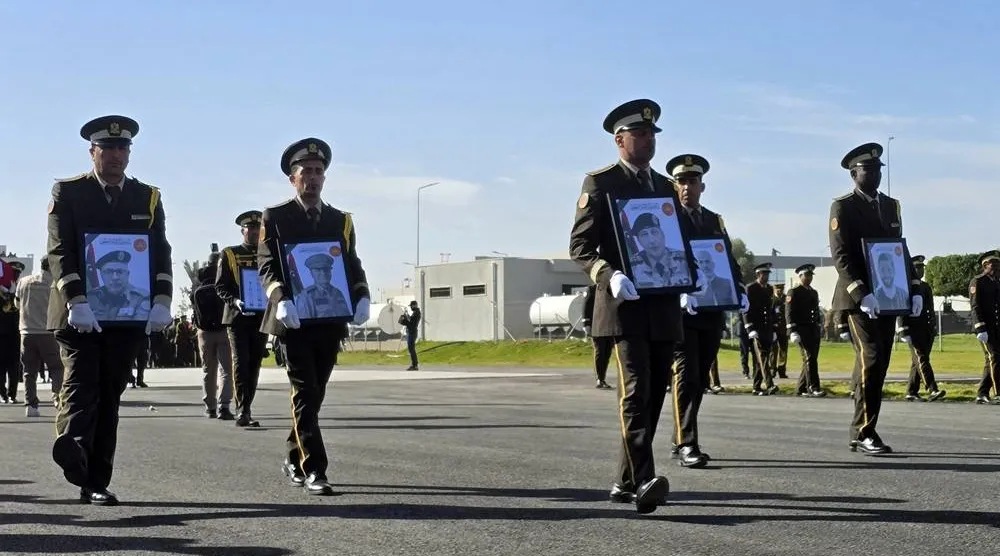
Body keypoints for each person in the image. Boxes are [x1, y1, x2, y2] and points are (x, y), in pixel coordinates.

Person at [47, 114, 174, 505]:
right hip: (78, 313)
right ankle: (73, 446)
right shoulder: (68, 192)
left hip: (127, 317)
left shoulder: (147, 197)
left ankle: (95, 478)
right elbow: (59, 249)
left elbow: (160, 251)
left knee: (111, 393)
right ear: (93, 152)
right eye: (108, 148)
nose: (116, 155)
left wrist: (162, 300)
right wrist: (76, 299)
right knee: (83, 383)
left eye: (123, 148)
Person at [568, 98, 675, 514]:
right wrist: (607, 273)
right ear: (620, 139)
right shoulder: (601, 182)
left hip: (663, 304)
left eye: (652, 134)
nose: (648, 140)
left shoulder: (664, 187)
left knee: (656, 394)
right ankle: (646, 478)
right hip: (624, 305)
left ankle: (624, 480)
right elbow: (580, 246)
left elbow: (674, 243)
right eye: (640, 134)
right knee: (635, 390)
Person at [258, 137, 370, 495]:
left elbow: (351, 263)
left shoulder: (339, 219)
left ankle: (293, 455)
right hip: (293, 323)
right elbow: (266, 265)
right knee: (304, 392)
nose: (313, 177)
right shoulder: (276, 217)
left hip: (329, 321)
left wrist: (362, 295)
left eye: (319, 171)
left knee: (315, 394)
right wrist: (280, 298)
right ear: (293, 178)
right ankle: (314, 470)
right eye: (305, 171)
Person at [828, 141, 921, 455]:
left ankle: (859, 429)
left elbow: (899, 251)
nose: (875, 174)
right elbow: (841, 256)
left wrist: (913, 286)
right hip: (859, 301)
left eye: (878, 169)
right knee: (872, 356)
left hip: (889, 297)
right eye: (868, 169)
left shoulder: (891, 205)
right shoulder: (843, 206)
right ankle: (867, 430)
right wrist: (861, 293)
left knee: (876, 365)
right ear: (854, 174)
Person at [667, 153, 749, 468]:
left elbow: (727, 259)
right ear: (675, 186)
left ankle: (680, 437)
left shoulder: (714, 220)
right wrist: (679, 291)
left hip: (712, 309)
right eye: (681, 181)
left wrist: (739, 289)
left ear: (703, 186)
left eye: (692, 181)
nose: (687, 187)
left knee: (700, 377)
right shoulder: (668, 217)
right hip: (683, 311)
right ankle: (687, 442)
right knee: (685, 376)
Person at [216, 210, 268, 426]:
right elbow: (221, 286)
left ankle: (247, 406)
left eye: (258, 228)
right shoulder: (230, 254)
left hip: (261, 316)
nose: (255, 232)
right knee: (241, 362)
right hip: (237, 317)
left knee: (255, 362)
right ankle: (242, 410)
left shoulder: (267, 253)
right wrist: (235, 301)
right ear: (243, 231)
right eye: (251, 228)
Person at [14, 257, 65, 416]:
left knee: (29, 371)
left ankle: (30, 405)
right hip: (48, 332)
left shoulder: (24, 281)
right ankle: (58, 398)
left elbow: (16, 304)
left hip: (27, 332)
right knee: (56, 368)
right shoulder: (55, 283)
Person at [897, 255, 945, 402]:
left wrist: (933, 327)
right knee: (921, 358)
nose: (920, 271)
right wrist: (903, 329)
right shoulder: (905, 286)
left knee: (918, 361)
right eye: (917, 268)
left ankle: (911, 391)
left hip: (926, 329)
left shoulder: (925, 287)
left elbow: (930, 309)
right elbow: (901, 308)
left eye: (922, 268)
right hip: (912, 328)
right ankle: (932, 389)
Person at [787, 264, 825, 397]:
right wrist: (792, 330)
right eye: (806, 275)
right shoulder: (794, 292)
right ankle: (813, 387)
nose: (809, 278)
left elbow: (816, 311)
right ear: (800, 276)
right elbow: (789, 312)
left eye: (810, 276)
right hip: (801, 329)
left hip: (813, 328)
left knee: (811, 358)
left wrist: (819, 325)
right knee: (809, 357)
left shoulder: (813, 292)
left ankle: (800, 388)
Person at [969, 250, 1000, 405]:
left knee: (992, 359)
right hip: (985, 328)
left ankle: (982, 393)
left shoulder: (997, 281)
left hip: (996, 327)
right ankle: (998, 391)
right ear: (985, 266)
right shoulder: (978, 281)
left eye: (997, 263)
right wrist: (980, 327)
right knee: (994, 356)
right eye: (992, 264)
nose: (995, 266)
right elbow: (975, 306)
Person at [742, 263, 778, 395]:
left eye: (768, 274)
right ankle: (770, 384)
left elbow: (771, 309)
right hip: (756, 328)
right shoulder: (751, 288)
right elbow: (746, 309)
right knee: (762, 356)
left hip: (767, 328)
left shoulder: (769, 289)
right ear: (758, 274)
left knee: (761, 359)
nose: (766, 276)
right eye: (764, 274)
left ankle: (756, 387)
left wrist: (774, 327)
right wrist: (749, 327)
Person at [85, 250, 152, 321]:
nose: (115, 277)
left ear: (127, 274)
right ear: (101, 275)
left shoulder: (142, 298)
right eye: (109, 272)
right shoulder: (91, 297)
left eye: (120, 272)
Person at [293, 253, 352, 318]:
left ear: (330, 272)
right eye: (318, 270)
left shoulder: (338, 293)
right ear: (311, 273)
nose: (323, 273)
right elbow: (305, 324)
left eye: (326, 269)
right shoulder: (305, 296)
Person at [0, 261, 25, 403]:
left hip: (16, 332)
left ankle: (12, 394)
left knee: (14, 366)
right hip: (2, 334)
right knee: (2, 366)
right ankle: (4, 393)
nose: (15, 277)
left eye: (17, 274)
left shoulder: (20, 290)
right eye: (14, 273)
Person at [581, 285, 612, 389]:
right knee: (600, 351)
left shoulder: (611, 287)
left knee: (607, 352)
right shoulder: (593, 289)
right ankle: (599, 378)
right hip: (597, 325)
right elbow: (586, 305)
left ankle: (602, 378)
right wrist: (586, 323)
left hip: (609, 325)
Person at [770, 284, 789, 378]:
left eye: (781, 289)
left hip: (783, 329)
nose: (779, 291)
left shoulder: (786, 299)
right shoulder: (771, 299)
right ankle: (772, 369)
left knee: (783, 350)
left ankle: (782, 370)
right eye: (777, 289)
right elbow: (770, 314)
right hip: (774, 329)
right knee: (773, 350)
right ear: (774, 290)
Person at [401, 300, 422, 371]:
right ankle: (414, 365)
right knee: (411, 349)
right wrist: (406, 316)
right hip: (411, 332)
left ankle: (415, 365)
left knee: (411, 349)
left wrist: (404, 321)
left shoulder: (416, 313)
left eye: (411, 306)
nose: (411, 307)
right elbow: (411, 321)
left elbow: (412, 324)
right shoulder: (415, 313)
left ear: (415, 305)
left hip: (412, 332)